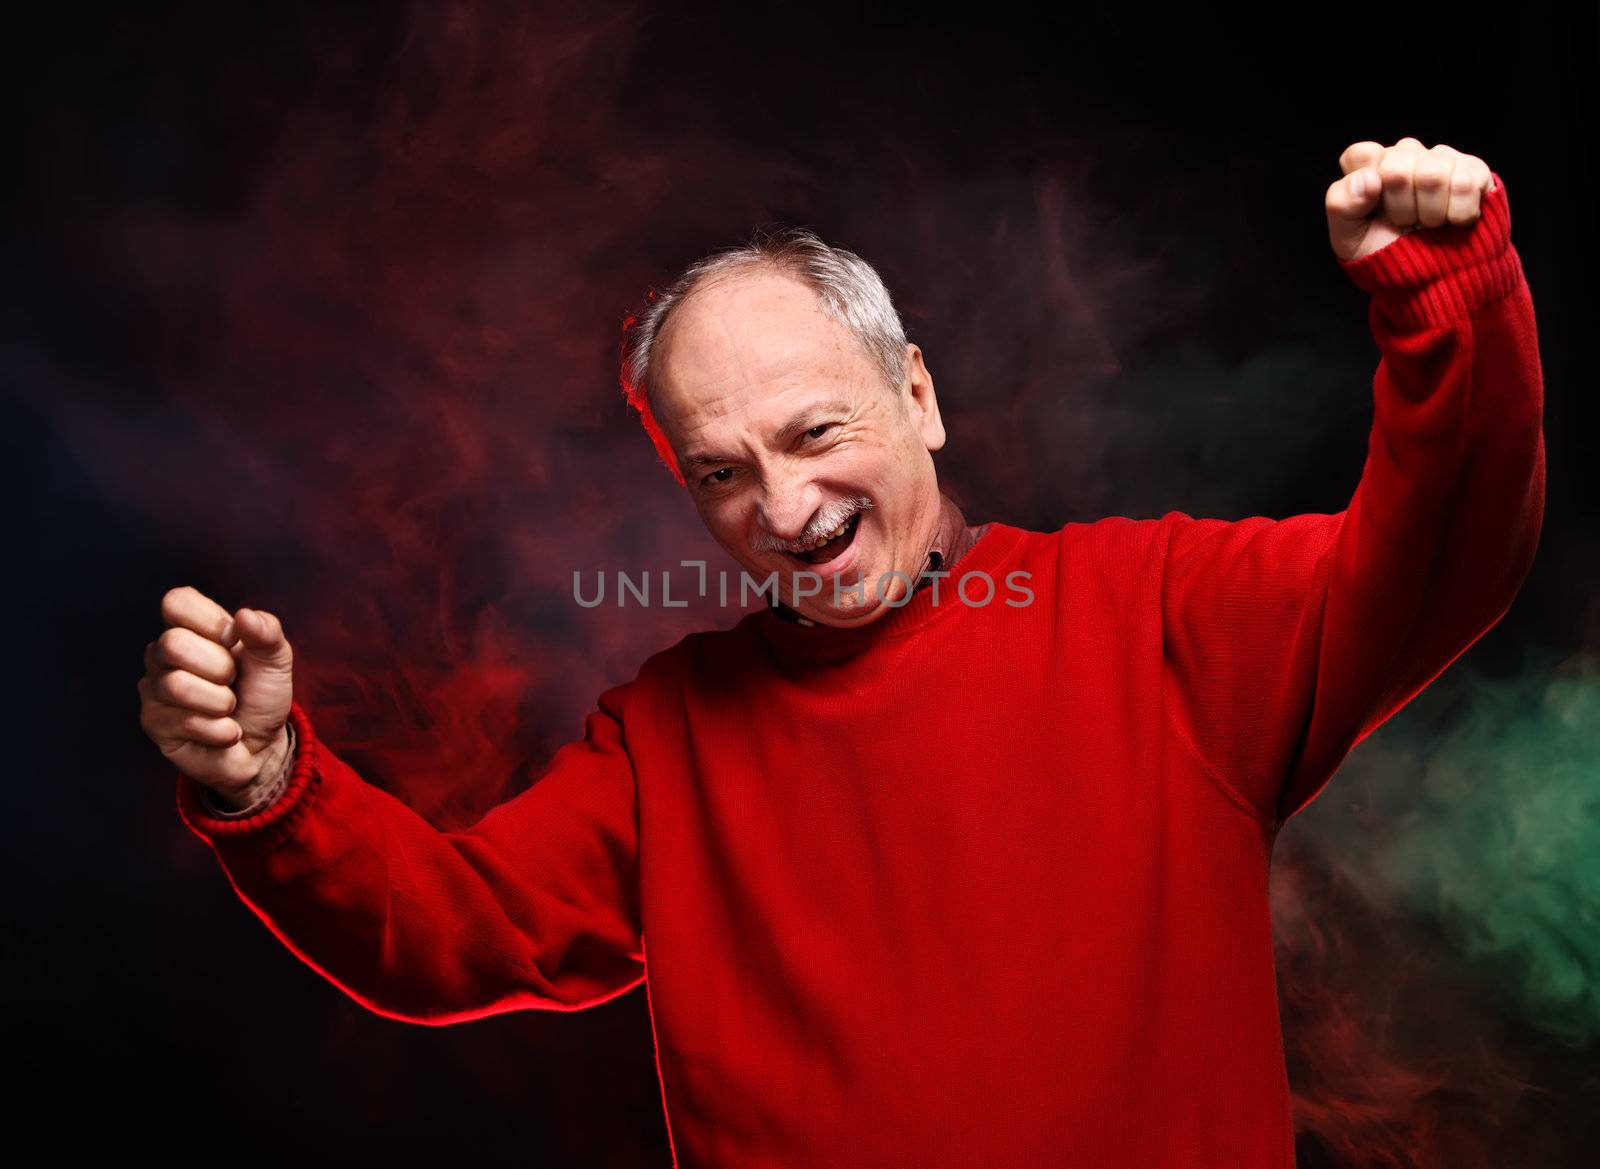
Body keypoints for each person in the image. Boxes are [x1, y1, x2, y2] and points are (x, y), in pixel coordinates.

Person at [139, 137, 1545, 1168]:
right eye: (722, 473)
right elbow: (449, 932)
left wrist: (1448, 303)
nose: (788, 509)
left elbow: (1442, 554)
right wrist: (270, 782)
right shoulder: (671, 735)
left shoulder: (1158, 613)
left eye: (816, 434)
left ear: (917, 392)